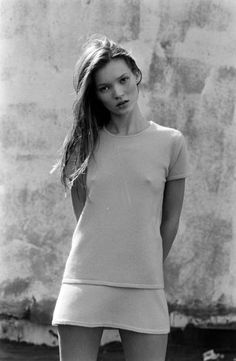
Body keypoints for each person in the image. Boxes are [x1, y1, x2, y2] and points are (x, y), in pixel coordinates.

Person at [51, 35, 189, 361]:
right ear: (95, 95)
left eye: (123, 80)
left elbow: (169, 221)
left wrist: (146, 264)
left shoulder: (171, 143)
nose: (118, 93)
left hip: (144, 281)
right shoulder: (85, 143)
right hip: (85, 280)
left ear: (136, 74)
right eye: (104, 87)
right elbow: (85, 213)